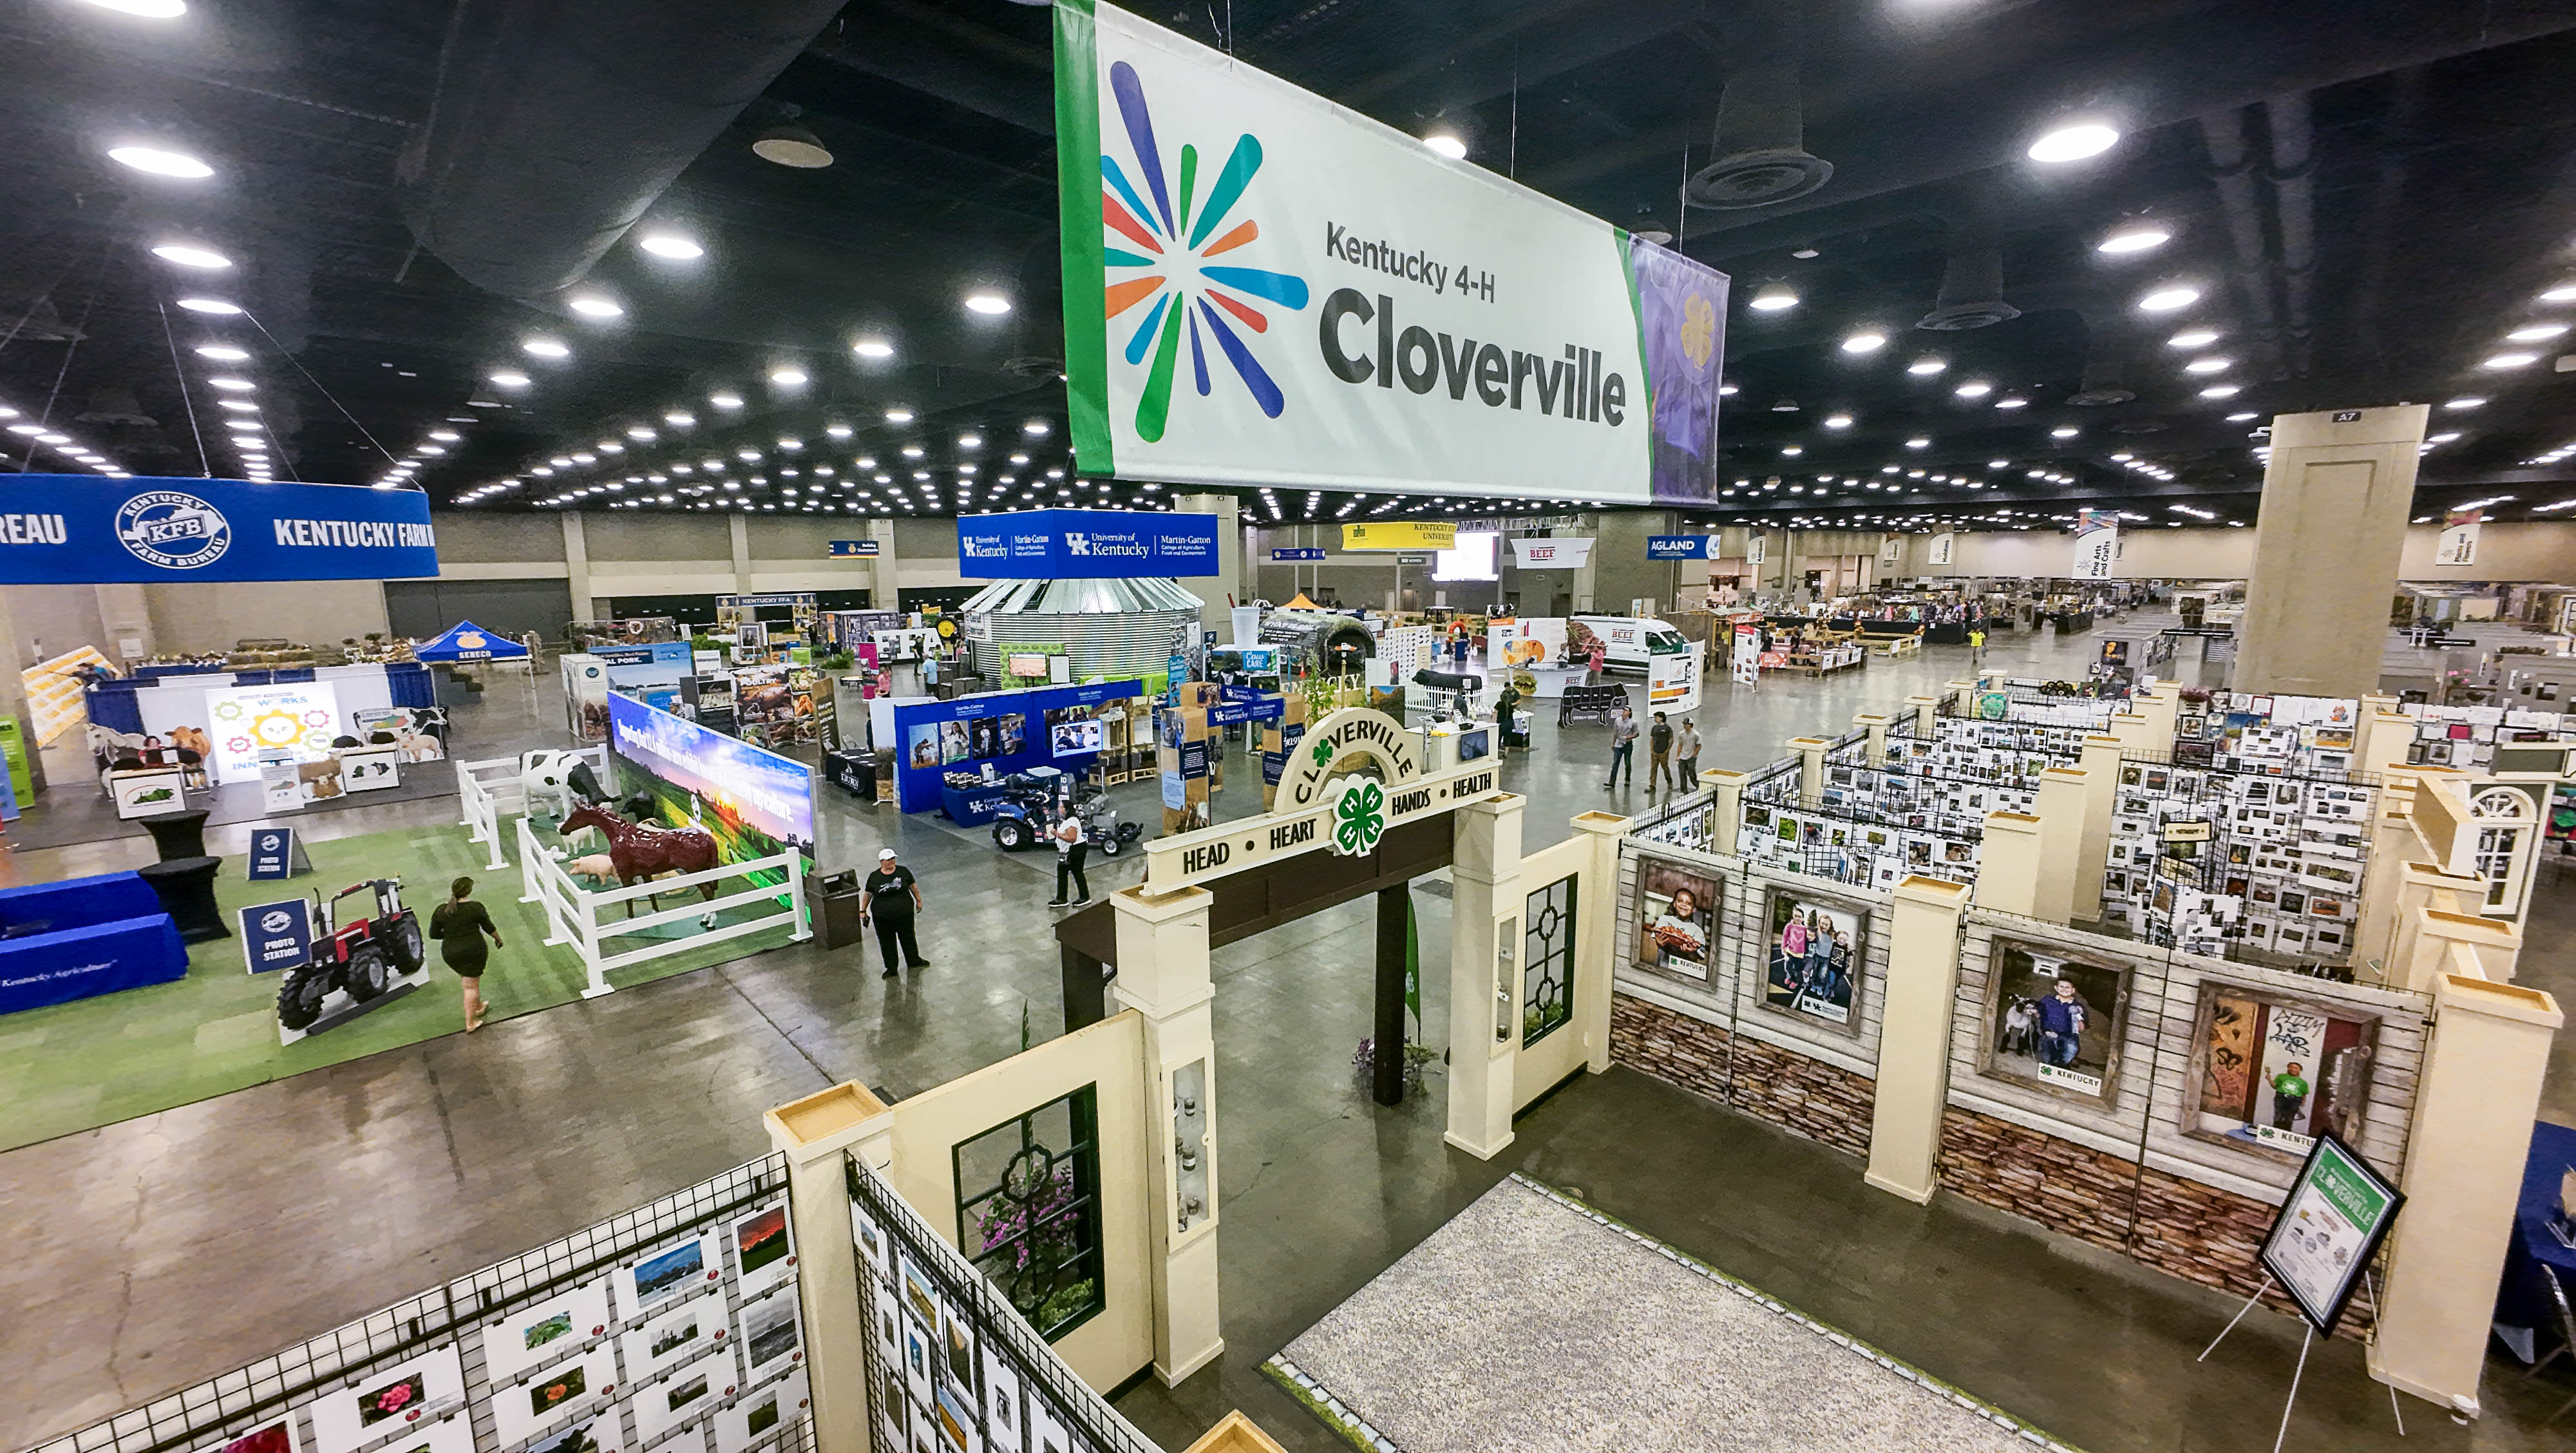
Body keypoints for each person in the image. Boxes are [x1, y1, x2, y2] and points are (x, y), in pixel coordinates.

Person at [430, 876, 502, 1032]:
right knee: (470, 987)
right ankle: (470, 1022)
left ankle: (478, 1006)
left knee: (469, 981)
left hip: (450, 953)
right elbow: (489, 927)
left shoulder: (441, 910)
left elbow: (434, 934)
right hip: (473, 950)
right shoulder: (475, 907)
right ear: (469, 891)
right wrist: (498, 939)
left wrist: (453, 935)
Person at [861, 846, 929, 980]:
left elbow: (913, 887)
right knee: (887, 942)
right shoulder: (874, 877)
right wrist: (863, 910)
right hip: (883, 919)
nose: (891, 862)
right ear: (882, 862)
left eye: (893, 858)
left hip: (904, 916)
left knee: (908, 937)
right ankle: (891, 968)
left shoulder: (903, 872)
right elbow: (868, 895)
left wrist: (919, 901)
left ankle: (913, 961)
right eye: (888, 860)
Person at [2036, 976, 2087, 1067]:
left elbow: (2081, 1029)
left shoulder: (2078, 1007)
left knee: (2070, 1050)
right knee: (2047, 1062)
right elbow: (2038, 1014)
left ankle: (2064, 1064)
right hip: (2048, 1035)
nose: (2064, 989)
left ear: (2073, 990)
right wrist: (2030, 1010)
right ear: (2056, 988)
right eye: (2061, 986)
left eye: (2067, 987)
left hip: (2068, 1038)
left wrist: (2078, 1015)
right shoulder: (2047, 1000)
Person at [1048, 809, 1090, 908]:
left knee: (1077, 872)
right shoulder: (1065, 821)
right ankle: (1062, 898)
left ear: (1066, 810)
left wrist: (1056, 834)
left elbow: (1072, 838)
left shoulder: (1072, 821)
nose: (1059, 809)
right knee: (1062, 872)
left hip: (1075, 851)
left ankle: (1084, 897)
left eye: (1061, 807)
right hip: (1066, 851)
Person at [2269, 1061, 2309, 1131]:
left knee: (2290, 1118)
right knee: (2279, 1115)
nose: (2293, 1070)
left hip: (2295, 1100)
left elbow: (2304, 1094)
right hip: (2281, 1097)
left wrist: (2303, 1103)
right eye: (2291, 1067)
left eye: (2296, 1068)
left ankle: (2286, 1132)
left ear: (2300, 1070)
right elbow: (2275, 1086)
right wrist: (2269, 1080)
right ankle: (2275, 1132)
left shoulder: (2303, 1083)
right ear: (2288, 1068)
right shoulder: (2281, 1077)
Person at [1604, 705, 1637, 789]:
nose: (1624, 712)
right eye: (1623, 710)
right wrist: (1613, 743)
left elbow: (1636, 734)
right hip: (1619, 744)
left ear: (1629, 712)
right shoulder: (1617, 721)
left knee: (1627, 763)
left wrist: (1628, 737)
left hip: (1628, 745)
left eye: (1626, 710)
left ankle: (1627, 780)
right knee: (1615, 763)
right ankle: (1612, 782)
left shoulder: (1633, 723)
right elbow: (1615, 733)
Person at [1647, 711, 1674, 792]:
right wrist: (1652, 749)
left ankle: (1669, 780)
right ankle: (1652, 785)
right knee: (1653, 768)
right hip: (1655, 751)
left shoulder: (1667, 728)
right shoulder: (1654, 728)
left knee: (1665, 767)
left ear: (1662, 718)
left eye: (1657, 717)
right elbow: (1652, 739)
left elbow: (1671, 739)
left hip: (1663, 752)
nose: (1656, 719)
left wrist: (1667, 750)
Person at [1493, 679, 1522, 755]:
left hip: (1502, 723)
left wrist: (1492, 721)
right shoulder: (1510, 706)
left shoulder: (1500, 704)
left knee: (1499, 736)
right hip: (1510, 723)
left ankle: (1496, 750)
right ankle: (1506, 753)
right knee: (1508, 737)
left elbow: (1495, 713)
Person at [1674, 717, 1701, 788]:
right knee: (1682, 774)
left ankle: (1697, 784)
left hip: (1691, 756)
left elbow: (1699, 745)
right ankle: (1684, 789)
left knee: (1691, 773)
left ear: (1691, 725)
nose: (1685, 726)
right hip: (1683, 756)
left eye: (1687, 724)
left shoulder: (1696, 734)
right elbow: (1680, 745)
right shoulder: (1681, 734)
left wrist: (1694, 754)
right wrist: (1678, 755)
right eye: (1684, 724)